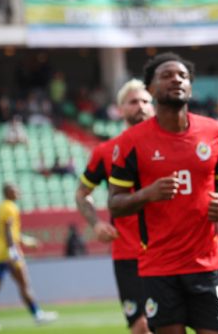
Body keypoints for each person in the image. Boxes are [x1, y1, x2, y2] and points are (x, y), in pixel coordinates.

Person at [108, 53, 218, 334]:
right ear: (150, 89)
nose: (176, 79)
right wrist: (147, 194)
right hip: (159, 268)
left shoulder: (214, 131)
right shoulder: (131, 142)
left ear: (190, 87)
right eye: (166, 76)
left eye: (182, 76)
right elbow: (115, 204)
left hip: (206, 264)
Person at [75, 78, 154, 334]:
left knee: (170, 325)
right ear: (120, 109)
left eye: (145, 101)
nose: (140, 106)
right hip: (128, 254)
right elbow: (82, 193)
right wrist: (96, 223)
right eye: (133, 102)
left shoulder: (170, 147)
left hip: (166, 250)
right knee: (140, 326)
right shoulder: (106, 151)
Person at [0, 184, 58, 330]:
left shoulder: (0, 207)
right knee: (24, 284)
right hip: (9, 254)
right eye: (15, 190)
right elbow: (8, 230)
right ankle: (37, 315)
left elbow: (2, 231)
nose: (18, 192)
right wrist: (12, 251)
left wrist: (27, 241)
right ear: (8, 192)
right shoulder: (10, 207)